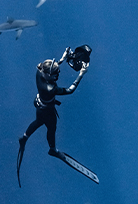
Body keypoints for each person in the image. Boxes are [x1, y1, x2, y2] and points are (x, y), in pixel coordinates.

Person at [17, 46, 97, 186]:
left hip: (39, 104)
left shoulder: (39, 70)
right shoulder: (50, 88)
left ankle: (24, 136)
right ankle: (53, 150)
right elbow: (70, 90)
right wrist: (81, 74)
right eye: (55, 74)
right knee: (51, 128)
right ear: (49, 76)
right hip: (47, 109)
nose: (57, 75)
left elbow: (52, 67)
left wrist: (62, 58)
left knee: (37, 121)